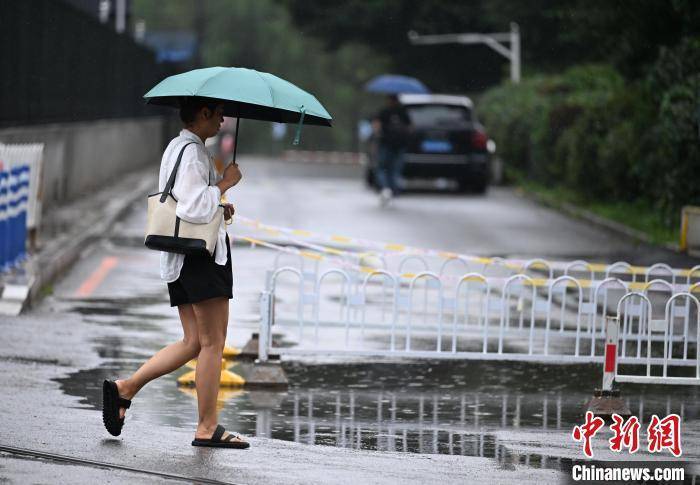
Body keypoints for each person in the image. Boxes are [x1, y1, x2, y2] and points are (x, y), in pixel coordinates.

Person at [101, 97, 249, 449]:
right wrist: (225, 183)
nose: (223, 119)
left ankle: (126, 388)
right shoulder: (194, 152)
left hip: (181, 257)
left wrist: (219, 204)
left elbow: (189, 202)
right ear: (203, 114)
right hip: (201, 259)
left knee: (193, 342)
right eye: (218, 113)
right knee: (213, 344)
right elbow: (195, 205)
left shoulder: (176, 147)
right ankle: (206, 427)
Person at [371, 94, 412, 206]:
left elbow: (376, 127)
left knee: (382, 168)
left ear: (389, 100)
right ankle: (395, 190)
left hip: (386, 144)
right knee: (395, 170)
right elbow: (410, 128)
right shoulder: (403, 112)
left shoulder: (384, 112)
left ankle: (385, 188)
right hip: (400, 145)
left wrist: (376, 139)